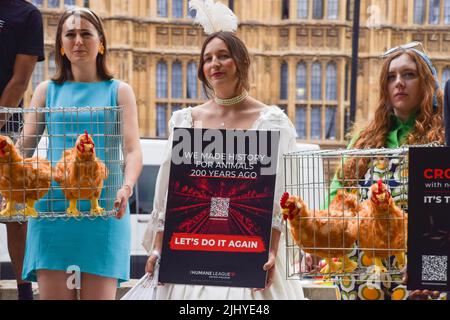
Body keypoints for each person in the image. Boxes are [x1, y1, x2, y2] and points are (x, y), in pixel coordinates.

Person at [142, 29, 305, 300]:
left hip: (249, 255)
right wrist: (159, 248)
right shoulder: (186, 120)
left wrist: (272, 249)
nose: (214, 64)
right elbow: (168, 194)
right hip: (192, 255)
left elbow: (279, 196)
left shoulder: (272, 122)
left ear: (241, 61)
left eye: (223, 56)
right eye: (207, 58)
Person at [17, 7, 142, 300]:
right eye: (70, 34)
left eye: (86, 34)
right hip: (52, 212)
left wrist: (127, 187)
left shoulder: (120, 91)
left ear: (102, 42)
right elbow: (25, 145)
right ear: (61, 44)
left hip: (105, 208)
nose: (78, 41)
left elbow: (133, 150)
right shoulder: (46, 90)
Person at [328, 42, 446, 300]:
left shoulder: (443, 138)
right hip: (362, 268)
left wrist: (436, 266)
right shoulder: (365, 139)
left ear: (427, 83)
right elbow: (338, 194)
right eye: (391, 77)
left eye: (409, 75)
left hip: (421, 262)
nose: (399, 82)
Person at [0, 0, 44, 300]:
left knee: (16, 210)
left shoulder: (26, 13)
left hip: (8, 121)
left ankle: (23, 289)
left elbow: (20, 80)